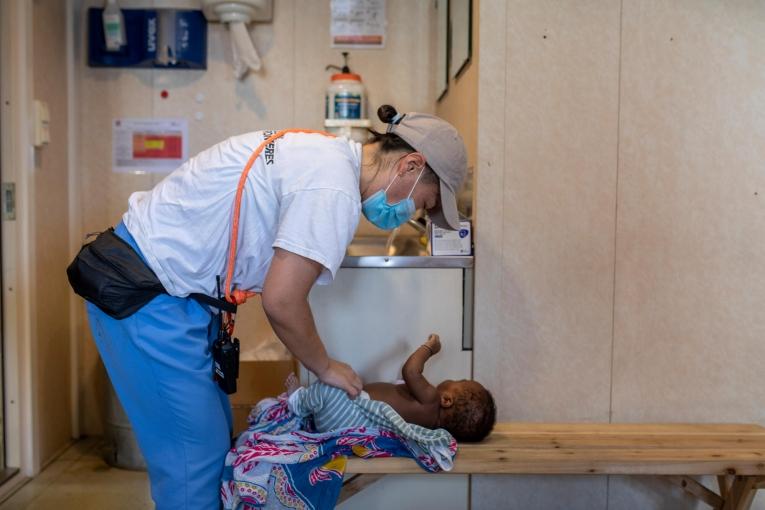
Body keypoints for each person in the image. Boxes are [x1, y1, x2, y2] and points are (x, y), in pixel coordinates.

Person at [81, 105, 468, 509]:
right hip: (148, 298)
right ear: (410, 165)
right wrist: (325, 367)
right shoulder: (332, 187)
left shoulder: (327, 157)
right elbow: (282, 300)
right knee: (192, 465)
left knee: (211, 447)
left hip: (172, 297)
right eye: (423, 204)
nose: (414, 213)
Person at [286, 334, 496, 442]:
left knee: (332, 385)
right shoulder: (427, 425)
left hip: (347, 413)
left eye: (459, 380)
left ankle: (298, 401)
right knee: (340, 384)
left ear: (447, 400)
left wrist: (430, 348)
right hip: (345, 428)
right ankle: (310, 409)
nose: (453, 378)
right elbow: (402, 388)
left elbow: (411, 371)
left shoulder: (431, 399)